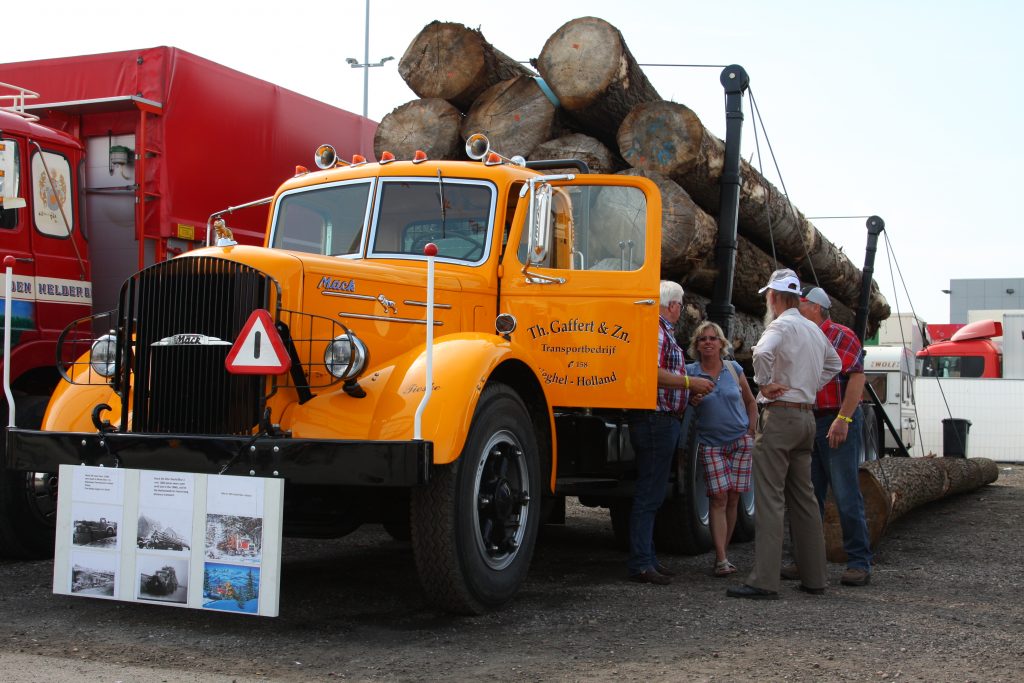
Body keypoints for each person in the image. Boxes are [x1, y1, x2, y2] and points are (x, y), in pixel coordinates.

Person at [726, 268, 841, 600]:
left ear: (774, 297)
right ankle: (815, 577)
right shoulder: (813, 329)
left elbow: (761, 353)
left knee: (771, 499)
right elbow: (834, 366)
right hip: (806, 418)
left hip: (779, 418)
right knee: (804, 500)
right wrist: (807, 388)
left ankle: (764, 581)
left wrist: (765, 383)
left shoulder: (780, 324)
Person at [627, 280, 715, 585]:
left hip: (663, 419)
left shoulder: (662, 331)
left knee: (652, 493)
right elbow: (650, 374)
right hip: (656, 420)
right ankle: (640, 562)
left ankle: (647, 558)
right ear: (674, 305)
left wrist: (687, 395)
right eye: (680, 306)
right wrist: (690, 384)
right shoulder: (656, 331)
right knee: (649, 493)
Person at [788, 286, 873, 586]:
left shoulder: (841, 335)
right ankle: (807, 561)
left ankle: (859, 562)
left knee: (846, 492)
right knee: (808, 495)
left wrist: (844, 418)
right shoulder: (800, 335)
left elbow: (857, 378)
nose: (797, 308)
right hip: (810, 420)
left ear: (816, 307)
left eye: (801, 304)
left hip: (835, 418)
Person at [685, 321, 758, 577]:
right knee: (718, 498)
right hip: (711, 445)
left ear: (721, 344)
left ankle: (722, 555)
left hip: (740, 442)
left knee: (734, 498)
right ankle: (721, 558)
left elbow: (751, 401)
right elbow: (682, 405)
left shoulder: (732, 368)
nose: (708, 342)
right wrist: (691, 399)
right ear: (696, 345)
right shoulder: (690, 372)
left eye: (713, 338)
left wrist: (751, 431)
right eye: (702, 339)